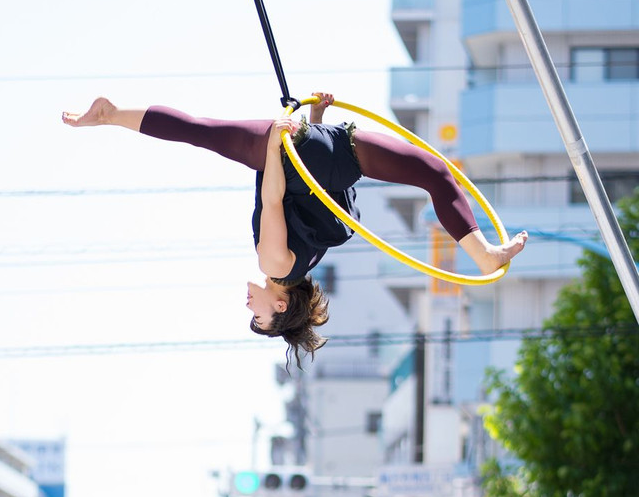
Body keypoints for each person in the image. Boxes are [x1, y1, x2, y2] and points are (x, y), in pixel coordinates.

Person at [62, 93, 527, 368]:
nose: (248, 305)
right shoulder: (275, 265)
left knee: (435, 173)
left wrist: (317, 124)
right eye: (259, 316)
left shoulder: (305, 264)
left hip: (334, 155)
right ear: (281, 305)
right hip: (294, 154)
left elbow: (321, 203)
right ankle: (110, 116)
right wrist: (279, 138)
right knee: (200, 131)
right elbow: (273, 196)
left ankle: (484, 253)